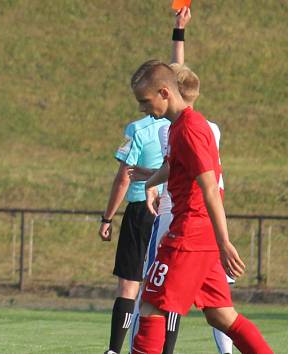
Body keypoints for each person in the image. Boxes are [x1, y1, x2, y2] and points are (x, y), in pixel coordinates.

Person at [129, 59, 273, 354]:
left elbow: (209, 187)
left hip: (190, 234)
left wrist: (224, 242)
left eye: (145, 101)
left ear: (165, 93)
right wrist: (151, 182)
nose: (143, 109)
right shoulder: (180, 126)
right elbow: (175, 165)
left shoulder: (189, 130)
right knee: (221, 315)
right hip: (200, 234)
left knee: (151, 305)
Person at [128, 7, 235, 354]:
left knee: (156, 296)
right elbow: (175, 74)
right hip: (204, 217)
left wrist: (150, 182)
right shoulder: (207, 126)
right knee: (220, 309)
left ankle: (150, 349)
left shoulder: (178, 129)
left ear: (168, 92)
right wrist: (179, 32)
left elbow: (198, 181)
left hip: (180, 217)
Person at [99, 68, 170, 354]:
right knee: (167, 288)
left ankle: (114, 350)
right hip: (170, 211)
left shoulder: (137, 129)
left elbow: (123, 176)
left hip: (142, 209)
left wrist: (107, 217)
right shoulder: (178, 125)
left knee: (129, 284)